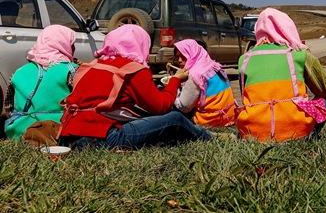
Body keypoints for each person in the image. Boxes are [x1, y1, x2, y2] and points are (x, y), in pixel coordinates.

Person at [58, 24, 212, 149]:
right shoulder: (132, 69)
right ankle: (207, 137)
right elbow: (161, 107)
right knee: (175, 118)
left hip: (69, 135)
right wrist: (175, 80)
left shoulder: (93, 65)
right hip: (103, 137)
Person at [236, 8, 326, 142]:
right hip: (296, 133)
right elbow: (325, 89)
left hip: (254, 135)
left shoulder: (244, 59)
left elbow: (247, 97)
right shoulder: (298, 54)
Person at [3, 25, 78, 143]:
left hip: (19, 132)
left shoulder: (18, 72)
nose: (73, 48)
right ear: (63, 45)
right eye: (72, 44)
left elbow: (9, 110)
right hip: (57, 132)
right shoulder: (72, 71)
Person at [172, 39, 236, 127]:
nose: (179, 60)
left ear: (193, 55)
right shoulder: (214, 66)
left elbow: (184, 107)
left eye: (183, 56)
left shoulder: (196, 75)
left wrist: (173, 86)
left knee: (170, 105)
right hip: (229, 115)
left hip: (211, 120)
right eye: (177, 57)